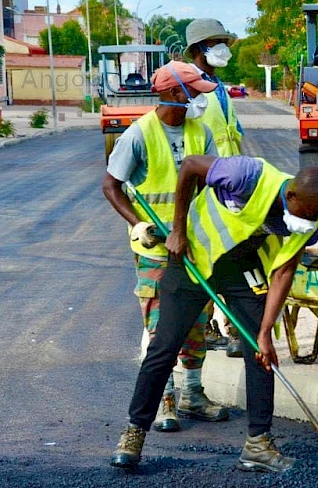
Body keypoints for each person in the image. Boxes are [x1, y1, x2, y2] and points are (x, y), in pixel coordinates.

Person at [110, 155, 318, 472]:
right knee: (165, 347)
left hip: (241, 267)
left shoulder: (312, 215)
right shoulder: (246, 175)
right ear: (292, 195)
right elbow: (189, 166)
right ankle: (134, 432)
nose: (311, 222)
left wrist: (265, 331)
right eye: (309, 213)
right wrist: (178, 230)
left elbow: (284, 271)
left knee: (261, 351)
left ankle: (258, 444)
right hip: (194, 256)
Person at [102, 61, 228, 435]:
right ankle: (164, 398)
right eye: (197, 91)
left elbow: (211, 184)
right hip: (155, 250)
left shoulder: (200, 131)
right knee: (161, 328)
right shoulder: (139, 135)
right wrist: (137, 223)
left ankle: (192, 393)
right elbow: (111, 185)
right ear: (176, 93)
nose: (202, 98)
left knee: (196, 322)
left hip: (194, 247)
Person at [185, 18, 247, 358]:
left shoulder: (218, 86)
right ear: (198, 50)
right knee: (210, 256)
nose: (223, 48)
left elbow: (232, 133)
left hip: (230, 184)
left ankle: (234, 326)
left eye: (224, 41)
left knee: (236, 253)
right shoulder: (188, 88)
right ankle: (207, 325)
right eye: (216, 42)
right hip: (204, 185)